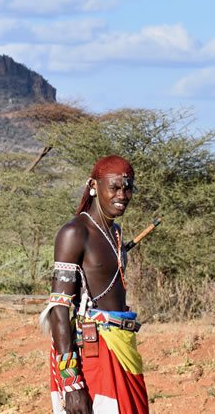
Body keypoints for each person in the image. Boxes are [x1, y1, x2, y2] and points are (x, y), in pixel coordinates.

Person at [40, 155, 149, 414]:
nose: (122, 195)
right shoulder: (75, 233)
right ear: (94, 186)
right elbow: (59, 308)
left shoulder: (116, 232)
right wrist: (71, 382)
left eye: (128, 187)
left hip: (122, 348)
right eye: (114, 187)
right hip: (94, 354)